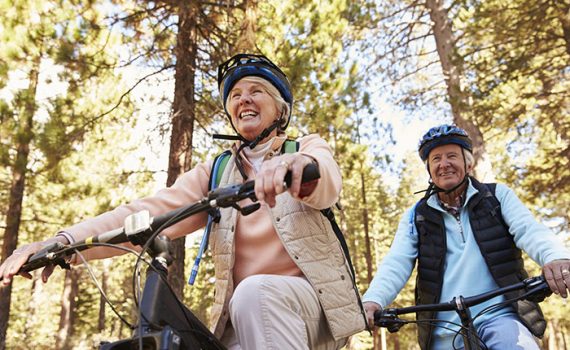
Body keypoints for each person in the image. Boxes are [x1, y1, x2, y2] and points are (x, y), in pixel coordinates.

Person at [0, 53, 366, 349]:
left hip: (314, 311)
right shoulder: (217, 171)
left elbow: (327, 179)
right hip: (244, 324)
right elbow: (146, 212)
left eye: (257, 90)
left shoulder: (303, 148)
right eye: (235, 95)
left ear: (280, 108)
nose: (244, 99)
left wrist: (298, 166)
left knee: (256, 293)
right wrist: (63, 242)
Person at [363, 124, 570, 350]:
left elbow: (529, 230)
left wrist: (555, 257)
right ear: (429, 170)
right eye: (436, 159)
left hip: (501, 317)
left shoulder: (497, 196)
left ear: (468, 163)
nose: (444, 164)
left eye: (452, 156)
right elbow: (397, 261)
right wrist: (373, 300)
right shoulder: (417, 216)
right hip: (443, 329)